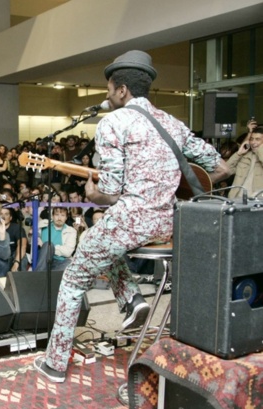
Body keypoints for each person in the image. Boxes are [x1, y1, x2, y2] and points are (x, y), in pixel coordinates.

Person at [33, 50, 230, 383]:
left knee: (75, 276)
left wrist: (93, 195)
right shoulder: (172, 123)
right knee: (99, 243)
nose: (108, 95)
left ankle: (54, 363)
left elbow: (109, 190)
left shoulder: (113, 122)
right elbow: (220, 168)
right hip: (171, 224)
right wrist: (176, 188)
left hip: (130, 222)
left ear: (121, 89)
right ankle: (132, 300)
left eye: (110, 89)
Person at [34, 207, 77, 272]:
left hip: (60, 262)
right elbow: (32, 241)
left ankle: (44, 276)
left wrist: (48, 247)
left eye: (62, 215)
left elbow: (68, 252)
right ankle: (39, 275)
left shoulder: (71, 231)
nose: (59, 218)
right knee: (48, 245)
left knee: (70, 263)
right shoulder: (43, 225)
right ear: (52, 216)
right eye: (57, 215)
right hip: (43, 260)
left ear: (66, 217)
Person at [226, 123, 263, 199]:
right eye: (251, 139)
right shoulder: (245, 156)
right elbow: (227, 170)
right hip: (237, 199)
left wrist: (260, 150)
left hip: (258, 201)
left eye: (257, 139)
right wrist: (238, 153)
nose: (253, 142)